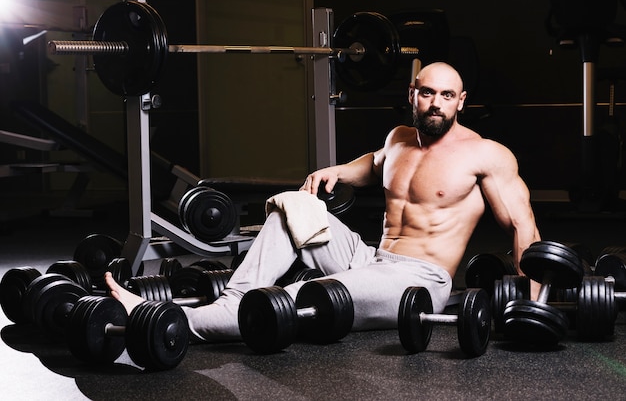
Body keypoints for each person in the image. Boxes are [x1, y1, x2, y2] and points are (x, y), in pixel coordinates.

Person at [105, 61, 541, 342]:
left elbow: (524, 226)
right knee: (295, 206)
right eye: (428, 93)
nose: (436, 105)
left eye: (447, 96)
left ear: (461, 102)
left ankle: (162, 319)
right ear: (412, 93)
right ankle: (232, 301)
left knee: (293, 299)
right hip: (369, 258)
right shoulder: (399, 139)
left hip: (418, 280)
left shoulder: (485, 154)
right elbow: (374, 164)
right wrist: (336, 171)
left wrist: (531, 305)